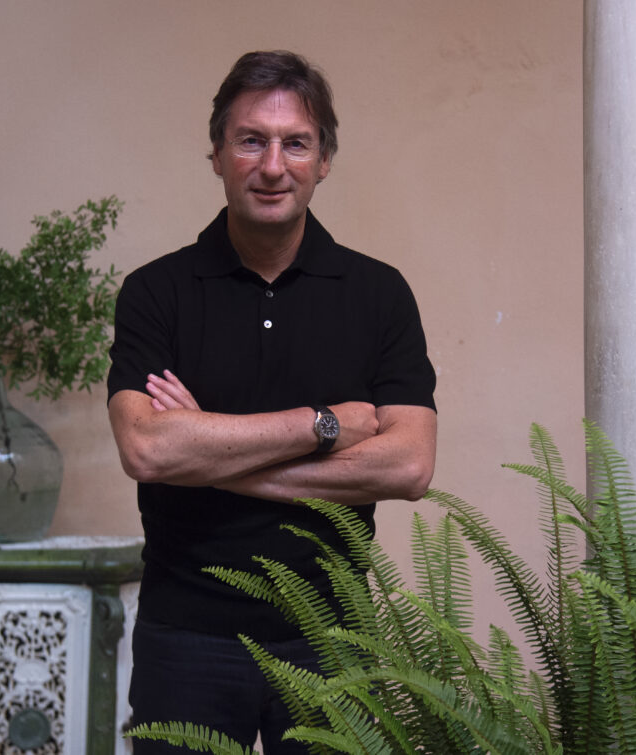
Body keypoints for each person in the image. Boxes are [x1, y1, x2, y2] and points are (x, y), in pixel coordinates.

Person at [107, 50, 437, 753]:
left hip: (334, 639)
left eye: (296, 143)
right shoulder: (155, 292)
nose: (273, 166)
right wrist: (325, 424)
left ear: (325, 161)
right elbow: (147, 449)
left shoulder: (379, 295)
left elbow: (409, 464)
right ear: (217, 154)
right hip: (185, 638)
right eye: (251, 140)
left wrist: (211, 455)